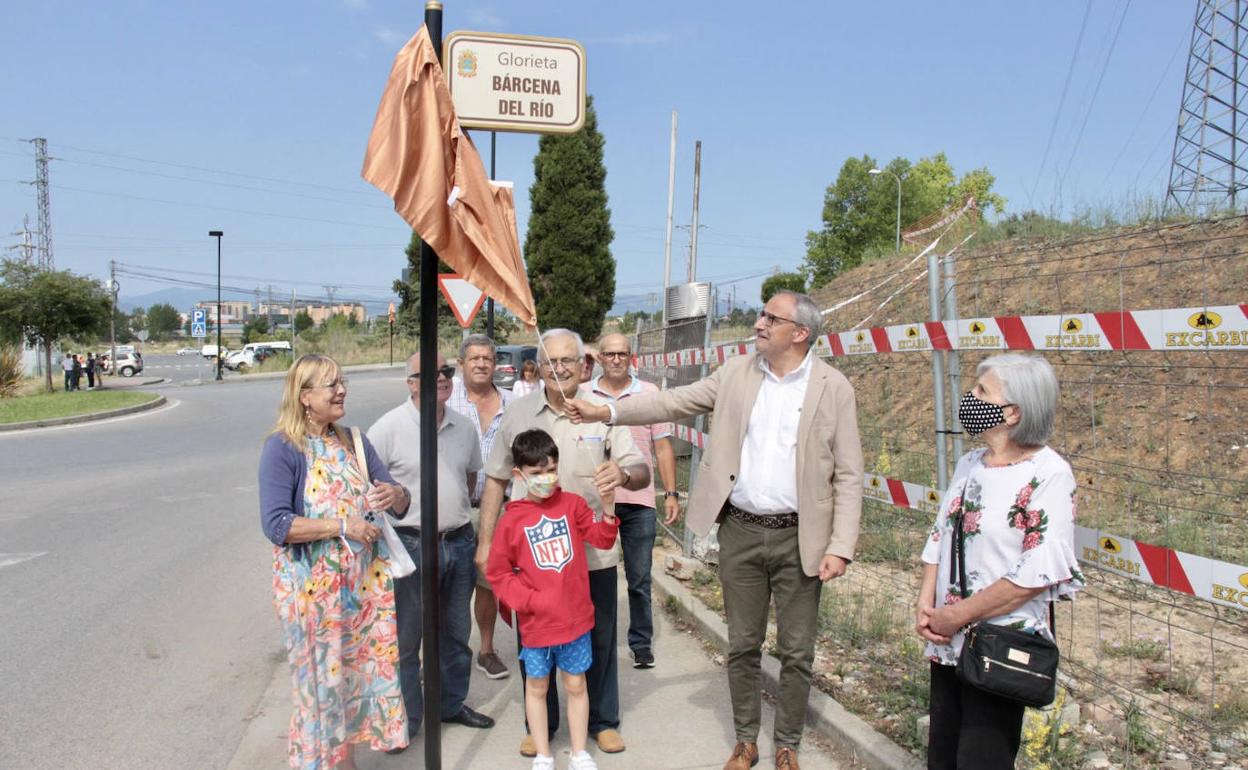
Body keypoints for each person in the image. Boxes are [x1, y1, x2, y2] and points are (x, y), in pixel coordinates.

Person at [567, 291, 865, 770]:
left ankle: (787, 744)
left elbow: (850, 473)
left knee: (796, 650)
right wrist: (611, 412)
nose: (759, 322)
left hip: (801, 537)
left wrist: (841, 546)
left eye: (771, 317)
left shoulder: (833, 387)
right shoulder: (737, 374)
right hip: (742, 532)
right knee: (743, 644)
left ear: (801, 332)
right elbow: (674, 401)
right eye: (762, 314)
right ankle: (746, 740)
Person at [476, 328, 650, 758]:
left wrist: (623, 476)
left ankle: (603, 721)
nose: (561, 368)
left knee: (601, 638)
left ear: (583, 365)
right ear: (538, 366)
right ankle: (541, 727)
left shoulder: (598, 412)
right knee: (533, 643)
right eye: (552, 361)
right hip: (532, 562)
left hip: (592, 551)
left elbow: (641, 470)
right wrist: (486, 542)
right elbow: (496, 479)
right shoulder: (516, 414)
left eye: (569, 360)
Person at [916, 353, 1083, 770]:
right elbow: (941, 535)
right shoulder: (970, 464)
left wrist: (958, 615)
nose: (969, 396)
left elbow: (1034, 575)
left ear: (1012, 412)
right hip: (947, 640)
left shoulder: (1049, 475)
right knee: (943, 754)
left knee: (982, 758)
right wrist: (927, 605)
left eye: (981, 391)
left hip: (1002, 645)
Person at [258, 354, 413, 768]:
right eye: (331, 385)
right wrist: (343, 525)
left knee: (352, 682)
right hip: (312, 598)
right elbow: (277, 525)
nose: (342, 390)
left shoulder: (355, 441)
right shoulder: (283, 448)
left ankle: (346, 763)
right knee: (319, 687)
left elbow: (400, 499)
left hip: (361, 596)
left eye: (342, 382)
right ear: (305, 396)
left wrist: (393, 496)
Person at [367, 351, 495, 747]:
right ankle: (407, 718)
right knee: (408, 639)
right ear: (411, 383)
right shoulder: (387, 428)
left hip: (457, 540)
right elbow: (367, 488)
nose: (441, 378)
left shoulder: (463, 426)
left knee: (456, 633)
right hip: (410, 543)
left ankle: (451, 703)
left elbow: (472, 474)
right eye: (431, 373)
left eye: (446, 371)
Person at [487, 429, 621, 770]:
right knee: (537, 685)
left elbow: (602, 540)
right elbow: (498, 572)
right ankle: (544, 754)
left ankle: (579, 752)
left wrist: (607, 509)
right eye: (536, 473)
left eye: (552, 469)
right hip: (536, 624)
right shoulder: (511, 520)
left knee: (576, 683)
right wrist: (528, 601)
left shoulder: (573, 505)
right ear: (518, 475)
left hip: (574, 619)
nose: (546, 478)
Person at [584, 333, 680, 669]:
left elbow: (663, 446)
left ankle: (641, 643)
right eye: (609, 354)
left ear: (631, 357)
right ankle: (594, 640)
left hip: (638, 499)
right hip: (597, 502)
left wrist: (670, 493)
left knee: (639, 577)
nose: (615, 359)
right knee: (595, 576)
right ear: (600, 358)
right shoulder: (585, 394)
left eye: (621, 354)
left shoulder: (649, 395)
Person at [448, 334, 516, 680]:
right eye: (473, 358)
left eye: (487, 359)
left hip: (498, 509)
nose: (481, 364)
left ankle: (486, 650)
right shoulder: (447, 401)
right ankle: (446, 652)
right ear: (461, 364)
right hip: (455, 509)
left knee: (488, 582)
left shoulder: (510, 403)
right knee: (452, 584)